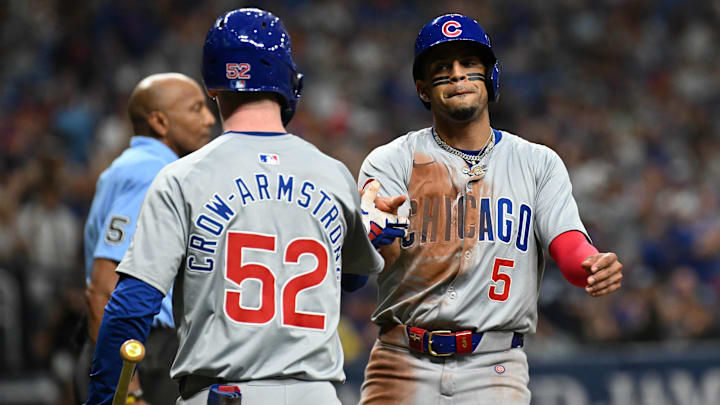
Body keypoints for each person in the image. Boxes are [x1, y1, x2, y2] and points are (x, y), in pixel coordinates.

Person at [84, 8, 406, 405]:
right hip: (316, 395)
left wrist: (102, 396)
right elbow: (352, 278)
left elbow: (132, 306)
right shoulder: (334, 174)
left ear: (213, 87)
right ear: (289, 81)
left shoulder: (182, 176)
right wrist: (370, 230)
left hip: (221, 393)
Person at [357, 13, 624, 405]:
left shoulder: (537, 162)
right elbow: (377, 250)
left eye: (469, 64)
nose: (457, 75)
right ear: (423, 89)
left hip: (494, 364)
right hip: (401, 358)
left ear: (491, 77)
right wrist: (375, 233)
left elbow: (567, 243)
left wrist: (590, 263)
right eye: (442, 68)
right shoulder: (392, 160)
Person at [78, 72, 215, 405]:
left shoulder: (128, 166)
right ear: (160, 121)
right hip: (141, 353)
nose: (210, 118)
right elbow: (104, 287)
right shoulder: (152, 172)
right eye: (196, 108)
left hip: (126, 348)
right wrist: (129, 386)